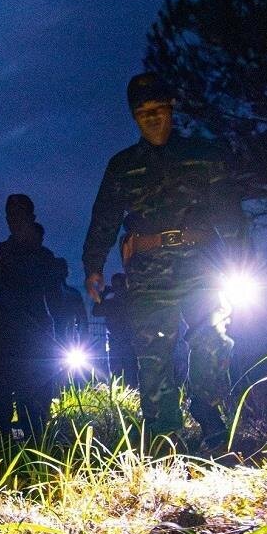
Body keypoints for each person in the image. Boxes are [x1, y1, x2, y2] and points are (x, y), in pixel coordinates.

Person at [81, 72, 246, 450]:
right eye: (142, 113)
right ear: (134, 118)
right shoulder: (122, 165)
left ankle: (206, 408)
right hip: (148, 273)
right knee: (154, 357)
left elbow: (229, 212)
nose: (151, 118)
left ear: (170, 108)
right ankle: (164, 439)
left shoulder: (203, 155)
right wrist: (93, 266)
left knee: (214, 340)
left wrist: (242, 258)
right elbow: (104, 218)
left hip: (203, 266)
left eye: (158, 109)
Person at [0, 195, 61, 441]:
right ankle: (8, 438)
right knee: (0, 393)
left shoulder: (43, 256)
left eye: (20, 215)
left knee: (33, 396)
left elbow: (56, 298)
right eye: (11, 216)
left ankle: (31, 442)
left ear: (31, 218)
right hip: (0, 338)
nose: (14, 221)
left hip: (35, 339)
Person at [95, 272, 139, 381]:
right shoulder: (113, 303)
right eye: (116, 286)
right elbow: (96, 311)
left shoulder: (129, 302)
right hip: (117, 341)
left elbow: (96, 311)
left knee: (130, 372)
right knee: (117, 372)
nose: (118, 289)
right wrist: (103, 295)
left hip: (129, 341)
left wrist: (103, 295)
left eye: (120, 286)